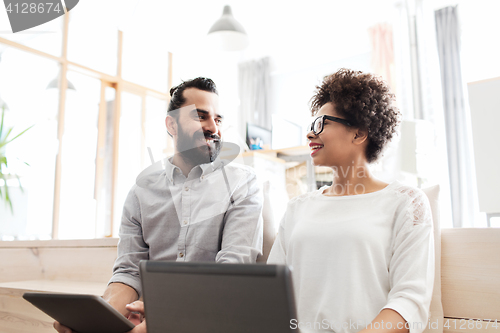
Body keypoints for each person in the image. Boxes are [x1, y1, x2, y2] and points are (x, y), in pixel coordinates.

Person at [54, 77, 263, 333]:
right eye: (201, 116)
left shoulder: (243, 183)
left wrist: (165, 316)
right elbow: (129, 272)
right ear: (171, 124)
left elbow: (232, 272)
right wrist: (99, 318)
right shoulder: (142, 190)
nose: (214, 128)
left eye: (218, 119)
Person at [267, 69, 434, 333]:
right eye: (312, 126)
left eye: (322, 124)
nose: (311, 134)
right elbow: (271, 294)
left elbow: (409, 301)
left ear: (359, 134)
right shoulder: (297, 208)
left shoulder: (406, 202)